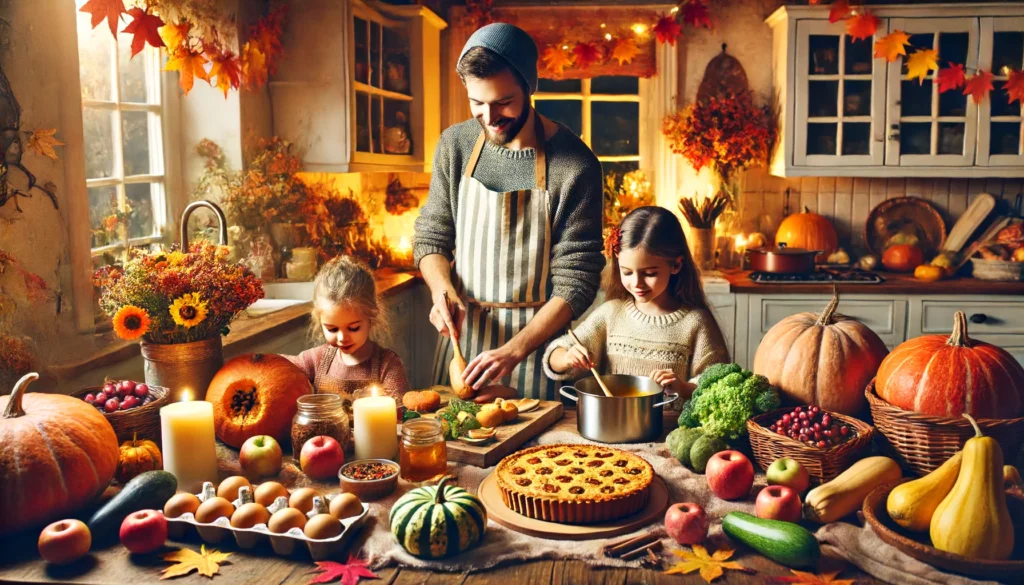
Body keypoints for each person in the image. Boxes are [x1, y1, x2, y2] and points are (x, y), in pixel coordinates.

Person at [414, 23, 605, 400]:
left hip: (540, 351)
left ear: (529, 87)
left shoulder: (575, 166)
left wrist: (516, 350)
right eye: (477, 103)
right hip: (463, 349)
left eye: (503, 102)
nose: (489, 116)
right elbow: (431, 236)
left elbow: (577, 281)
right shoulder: (455, 145)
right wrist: (442, 290)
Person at [543, 206, 730, 398]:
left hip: (671, 427)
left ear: (676, 265)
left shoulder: (696, 323)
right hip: (613, 424)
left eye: (650, 273)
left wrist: (683, 388)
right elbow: (553, 358)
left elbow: (718, 387)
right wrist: (567, 358)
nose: (637, 283)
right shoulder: (610, 314)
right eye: (627, 272)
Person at [286, 256, 410, 413]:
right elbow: (277, 369)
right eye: (332, 329)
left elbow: (399, 417)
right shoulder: (315, 360)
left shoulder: (388, 365)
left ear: (371, 317)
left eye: (353, 328)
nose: (342, 338)